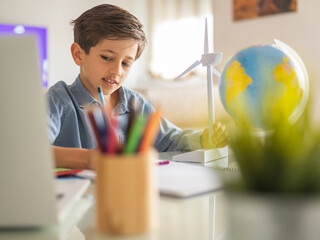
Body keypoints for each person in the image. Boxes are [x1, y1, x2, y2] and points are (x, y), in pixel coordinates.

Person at [47, 4, 228, 169]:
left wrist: (203, 139)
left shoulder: (135, 104)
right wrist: (89, 159)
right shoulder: (58, 99)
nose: (116, 71)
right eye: (107, 58)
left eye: (126, 63)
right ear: (79, 54)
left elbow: (171, 140)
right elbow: (31, 152)